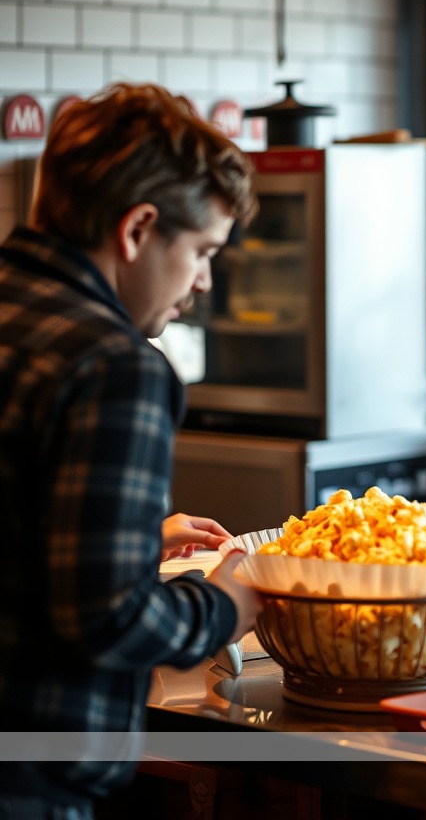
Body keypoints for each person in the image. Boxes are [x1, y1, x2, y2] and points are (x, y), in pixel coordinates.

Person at [0, 82, 262, 818]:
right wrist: (222, 605)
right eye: (202, 252)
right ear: (138, 229)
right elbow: (108, 619)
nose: (204, 282)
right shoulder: (115, 366)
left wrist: (134, 543)